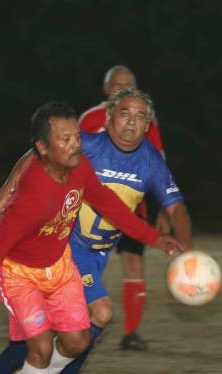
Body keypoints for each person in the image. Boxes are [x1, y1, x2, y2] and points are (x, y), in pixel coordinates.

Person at [0, 88, 193, 374]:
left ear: (148, 125)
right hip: (65, 246)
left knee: (53, 326)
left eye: (140, 117)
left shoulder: (151, 161)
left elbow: (176, 209)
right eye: (124, 113)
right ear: (109, 117)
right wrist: (4, 195)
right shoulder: (88, 145)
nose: (131, 122)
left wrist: (187, 252)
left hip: (99, 253)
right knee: (100, 312)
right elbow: (34, 155)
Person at [78, 65, 167, 350]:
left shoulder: (146, 120)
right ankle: (73, 321)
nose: (123, 89)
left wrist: (163, 207)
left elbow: (158, 162)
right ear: (107, 89)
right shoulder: (90, 118)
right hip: (90, 207)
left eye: (129, 85)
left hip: (132, 206)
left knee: (133, 262)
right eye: (117, 85)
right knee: (84, 263)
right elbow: (70, 160)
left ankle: (131, 333)